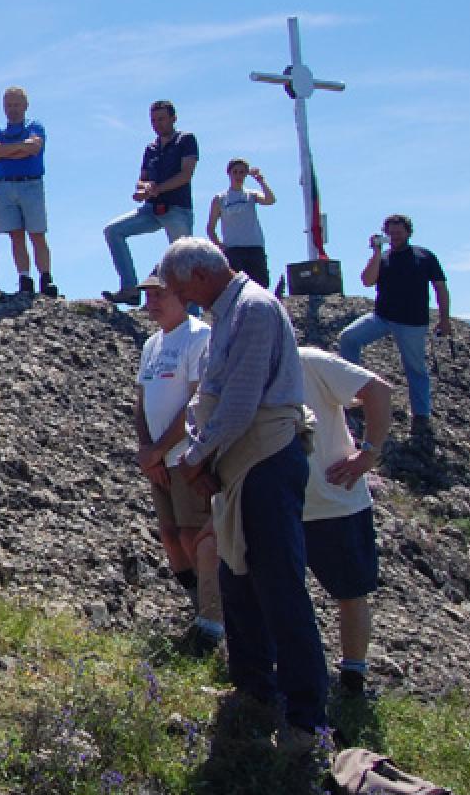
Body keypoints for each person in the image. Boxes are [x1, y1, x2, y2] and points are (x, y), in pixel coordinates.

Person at [160, 237, 327, 743]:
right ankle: (254, 689)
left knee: (278, 583)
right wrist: (200, 451)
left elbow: (240, 401)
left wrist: (193, 458)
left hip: (267, 458)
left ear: (200, 276)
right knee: (237, 577)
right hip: (236, 462)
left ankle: (305, 718)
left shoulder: (255, 309)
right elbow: (205, 399)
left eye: (177, 286)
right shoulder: (225, 318)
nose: (176, 295)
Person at [132, 267, 221, 655]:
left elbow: (197, 401)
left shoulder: (199, 337)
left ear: (181, 296)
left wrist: (161, 448)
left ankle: (214, 615)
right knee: (169, 534)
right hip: (158, 459)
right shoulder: (152, 344)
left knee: (192, 532)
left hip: (186, 455)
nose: (151, 303)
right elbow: (141, 400)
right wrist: (146, 448)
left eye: (159, 295)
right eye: (147, 296)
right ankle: (196, 601)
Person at [297, 347, 390, 697]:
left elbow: (377, 390)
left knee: (350, 592)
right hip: (280, 504)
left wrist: (368, 454)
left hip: (334, 502)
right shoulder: (244, 363)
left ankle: (353, 676)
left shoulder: (308, 361)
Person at [339, 214, 450, 435]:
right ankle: (353, 393)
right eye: (391, 233)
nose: (395, 237)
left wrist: (444, 319)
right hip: (382, 317)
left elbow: (440, 287)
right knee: (348, 337)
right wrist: (376, 253)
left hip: (412, 322)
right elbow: (367, 280)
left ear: (408, 233)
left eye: (399, 233)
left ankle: (421, 415)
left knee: (415, 368)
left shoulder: (424, 256)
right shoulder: (383, 258)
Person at [103, 101, 198, 306]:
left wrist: (157, 189)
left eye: (161, 119)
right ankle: (130, 288)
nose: (157, 124)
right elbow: (142, 179)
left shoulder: (186, 140)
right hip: (151, 209)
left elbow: (186, 175)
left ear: (173, 118)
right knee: (113, 230)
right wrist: (143, 190)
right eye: (153, 120)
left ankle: (192, 314)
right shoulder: (151, 148)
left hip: (177, 209)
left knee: (182, 258)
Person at [0, 87, 56, 297]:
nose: (13, 110)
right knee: (15, 235)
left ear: (25, 106)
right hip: (4, 185)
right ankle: (24, 277)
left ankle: (45, 277)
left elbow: (34, 147)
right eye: (9, 105)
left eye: (16, 105)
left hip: (30, 184)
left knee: (37, 234)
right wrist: (19, 150)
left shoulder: (35, 126)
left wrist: (6, 153)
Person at [205, 158, 276, 288]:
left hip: (254, 247)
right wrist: (220, 245)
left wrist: (261, 180)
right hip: (233, 250)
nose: (238, 175)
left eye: (242, 172)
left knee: (260, 285)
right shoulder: (220, 199)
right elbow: (210, 228)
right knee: (236, 287)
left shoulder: (251, 195)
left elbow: (270, 200)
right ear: (229, 173)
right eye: (235, 172)